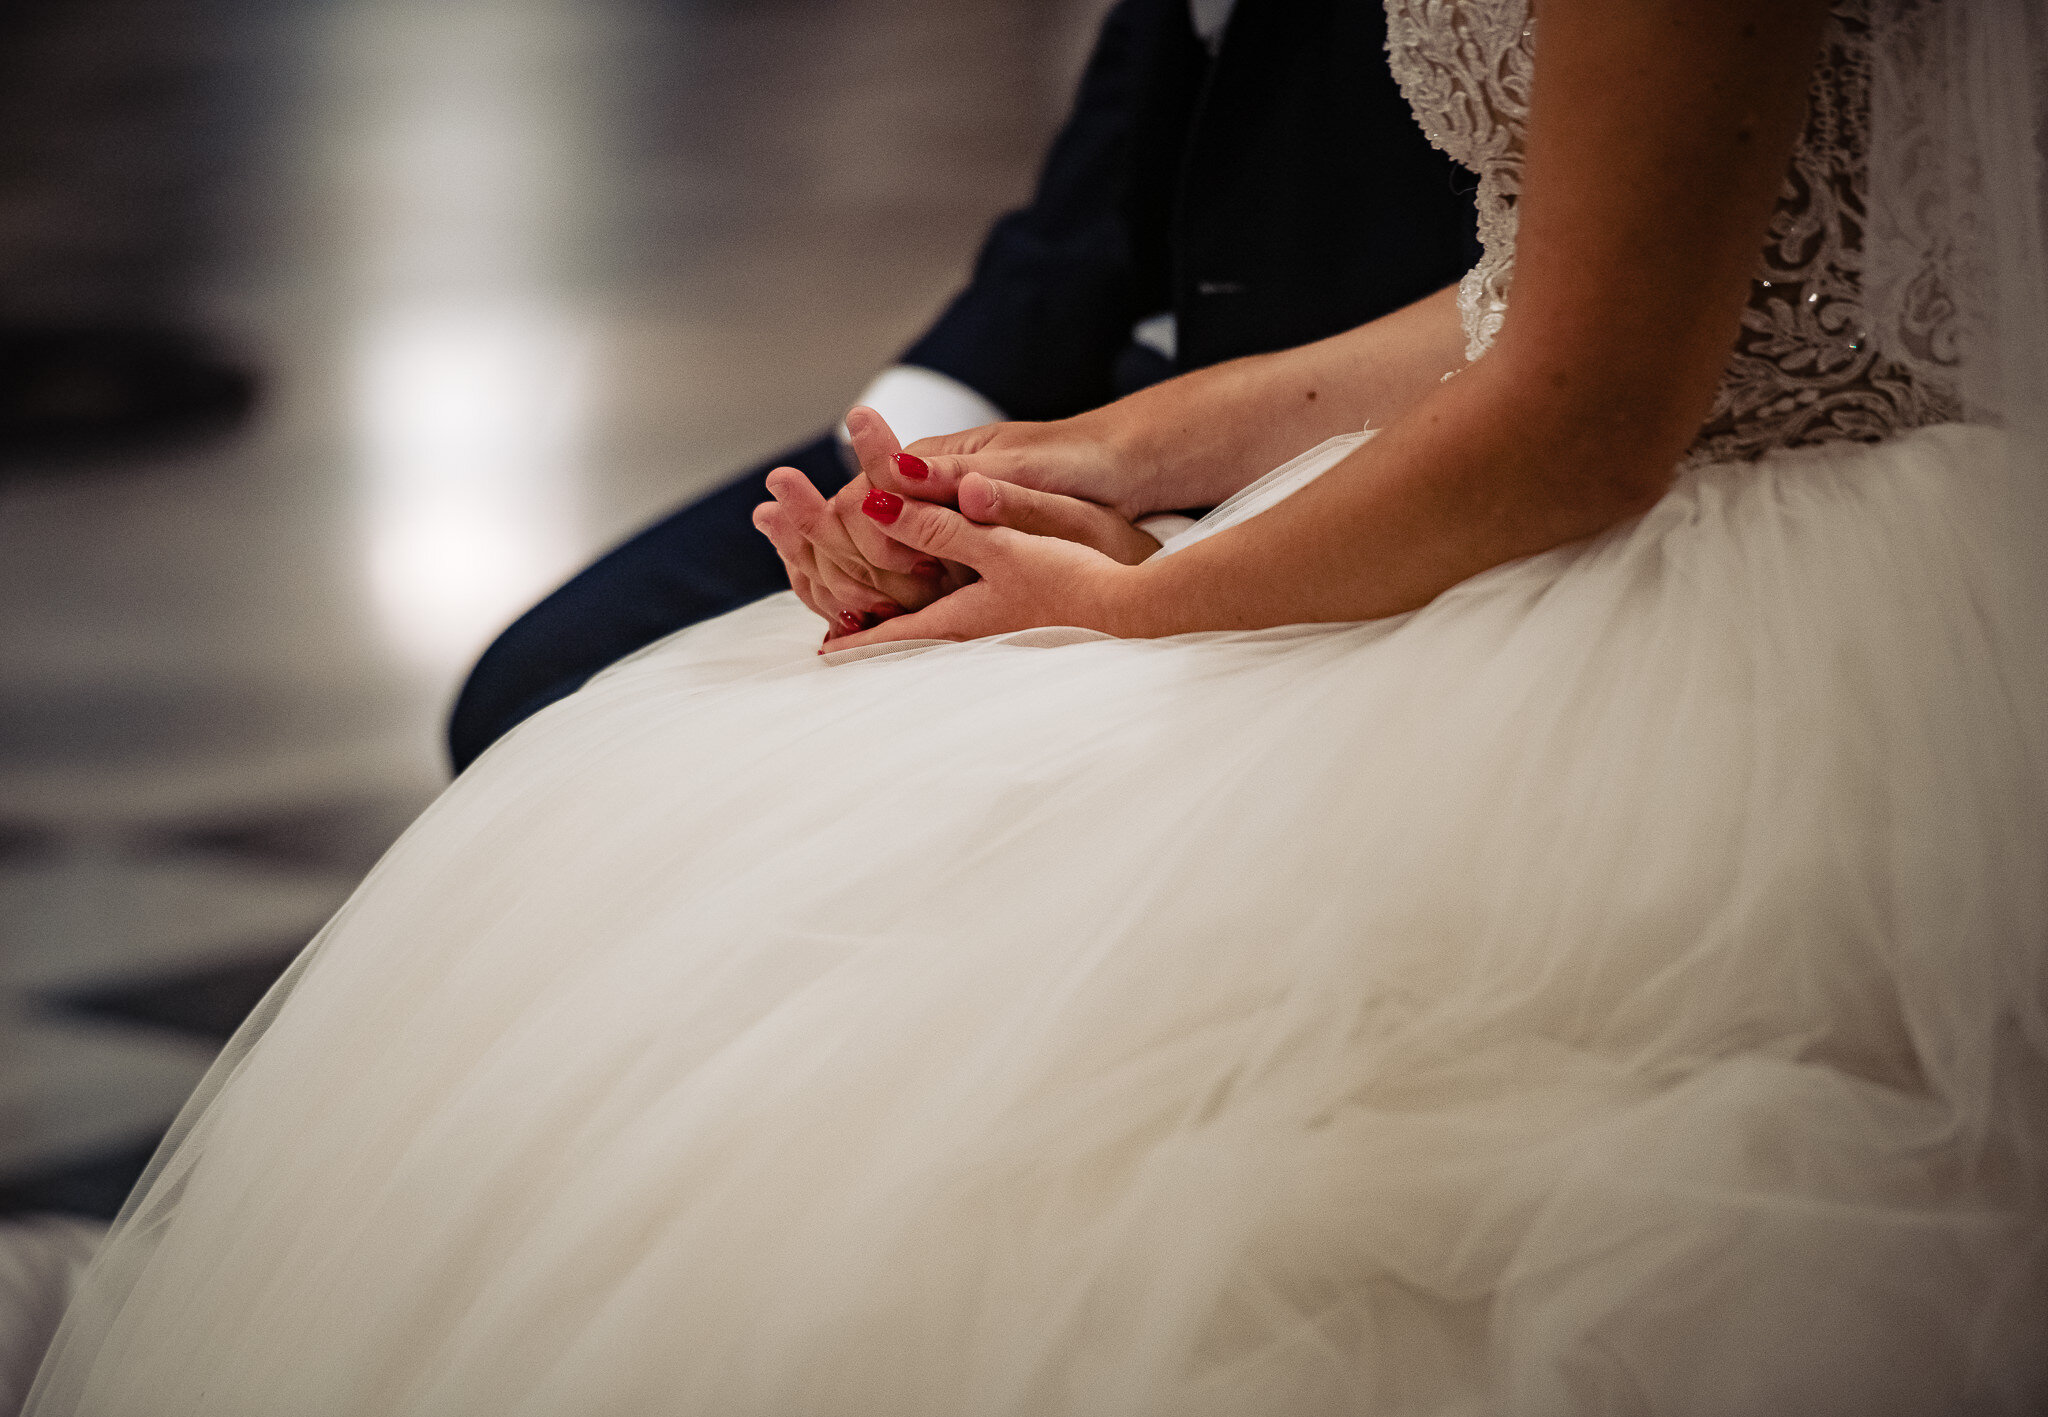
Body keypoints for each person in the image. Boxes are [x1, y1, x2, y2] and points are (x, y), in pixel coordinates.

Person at [28, 0, 2048, 1411]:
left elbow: (1592, 415)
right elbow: (1530, 281)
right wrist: (1096, 459)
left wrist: (1135, 617)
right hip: (1575, 483)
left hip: (1741, 609)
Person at [444, 0, 1479, 773]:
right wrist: (910, 464)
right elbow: (1103, 194)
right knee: (529, 688)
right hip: (1091, 413)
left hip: (1368, 448)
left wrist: (1143, 536)